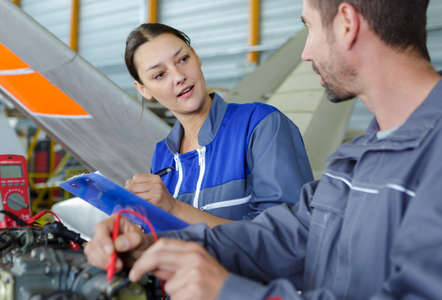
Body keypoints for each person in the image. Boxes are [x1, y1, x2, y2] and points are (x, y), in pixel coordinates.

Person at [85, 0, 442, 299]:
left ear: (347, 23)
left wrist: (229, 292)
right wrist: (153, 244)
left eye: (310, 28)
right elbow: (285, 235)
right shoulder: (358, 158)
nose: (306, 52)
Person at [123, 23, 313, 227]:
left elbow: (285, 234)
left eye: (183, 59)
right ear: (143, 89)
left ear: (196, 56)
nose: (179, 77)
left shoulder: (261, 125)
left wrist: (175, 208)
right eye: (159, 75)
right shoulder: (163, 155)